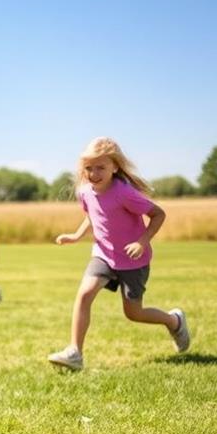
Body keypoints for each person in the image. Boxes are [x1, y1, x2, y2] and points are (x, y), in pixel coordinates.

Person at [48, 137, 190, 371]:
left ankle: (174, 320)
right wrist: (75, 236)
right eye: (89, 168)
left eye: (100, 167)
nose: (93, 173)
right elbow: (93, 216)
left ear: (115, 166)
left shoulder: (124, 193)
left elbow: (158, 214)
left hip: (133, 260)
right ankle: (75, 352)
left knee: (133, 313)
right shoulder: (85, 193)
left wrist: (142, 241)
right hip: (103, 255)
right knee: (84, 295)